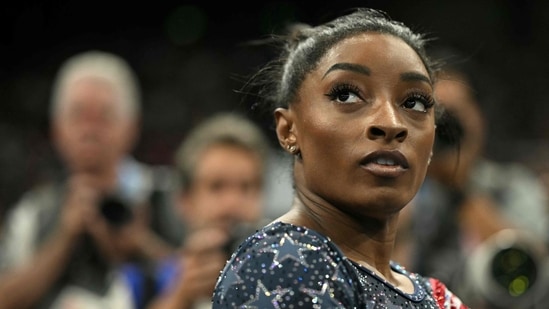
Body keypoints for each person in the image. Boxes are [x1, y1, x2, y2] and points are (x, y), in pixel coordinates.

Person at [212, 7, 470, 308]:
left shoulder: (435, 295)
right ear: (288, 130)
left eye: (414, 102)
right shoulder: (285, 265)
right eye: (347, 95)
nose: (391, 123)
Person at [0, 50, 182, 309]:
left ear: (132, 126)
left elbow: (207, 281)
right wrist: (64, 236)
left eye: (104, 116)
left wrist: (141, 244)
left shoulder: (168, 194)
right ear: (57, 129)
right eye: (78, 115)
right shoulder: (34, 211)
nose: (90, 130)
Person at [400, 48, 549, 309]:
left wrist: (460, 187)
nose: (443, 128)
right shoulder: (400, 191)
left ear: (478, 118)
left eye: (453, 115)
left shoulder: (512, 186)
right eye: (431, 114)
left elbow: (526, 267)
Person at [146, 112, 271, 309]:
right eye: (216, 186)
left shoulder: (287, 272)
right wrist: (182, 297)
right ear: (184, 200)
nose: (232, 202)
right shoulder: (146, 281)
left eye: (247, 187)